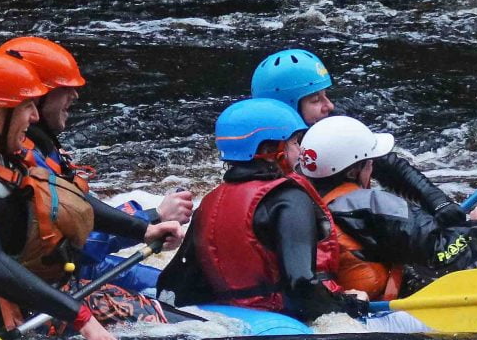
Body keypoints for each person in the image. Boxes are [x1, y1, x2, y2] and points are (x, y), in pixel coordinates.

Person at [0, 50, 183, 340]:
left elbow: (62, 201)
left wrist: (144, 229)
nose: (34, 117)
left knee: (184, 318)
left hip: (49, 295)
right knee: (186, 329)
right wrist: (81, 317)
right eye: (26, 106)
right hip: (31, 312)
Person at [297, 114, 477, 303]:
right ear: (353, 170)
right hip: (388, 305)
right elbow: (446, 254)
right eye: (369, 163)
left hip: (356, 294)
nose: (373, 168)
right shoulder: (371, 204)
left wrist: (439, 207)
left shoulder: (299, 197)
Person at [0, 34, 193, 289]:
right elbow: (78, 246)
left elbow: (81, 221)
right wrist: (153, 218)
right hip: (35, 285)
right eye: (64, 88)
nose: (74, 96)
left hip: (64, 270)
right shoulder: (19, 162)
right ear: (36, 96)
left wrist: (147, 222)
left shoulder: (41, 148)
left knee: (176, 287)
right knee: (174, 294)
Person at [156, 98, 368, 323]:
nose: (301, 151)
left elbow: (175, 284)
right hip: (283, 320)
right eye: (294, 142)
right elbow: (301, 284)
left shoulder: (209, 203)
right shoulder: (289, 199)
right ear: (270, 150)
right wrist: (348, 306)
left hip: (231, 319)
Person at [250, 47, 467, 228]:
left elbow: (387, 165)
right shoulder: (257, 159)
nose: (329, 106)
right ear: (288, 109)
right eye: (316, 100)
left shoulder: (331, 129)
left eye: (326, 96)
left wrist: (438, 202)